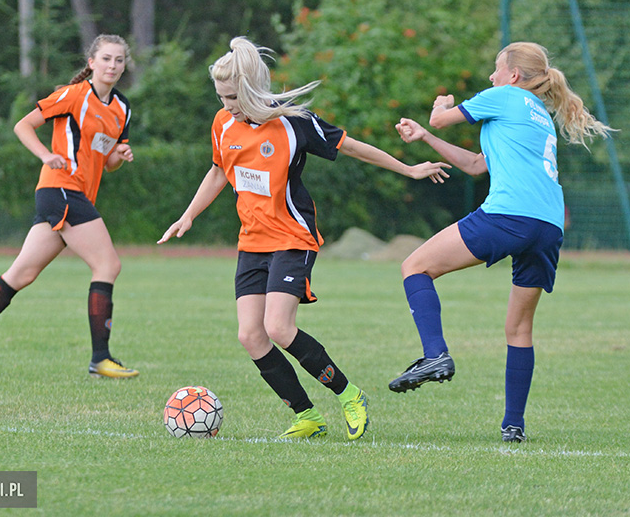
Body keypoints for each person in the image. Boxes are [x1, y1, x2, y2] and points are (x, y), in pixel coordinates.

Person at [158, 36, 450, 441]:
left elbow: (355, 148)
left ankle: (349, 395)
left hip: (292, 236)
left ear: (250, 89)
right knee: (250, 335)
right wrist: (188, 215)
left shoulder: (295, 122)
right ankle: (306, 416)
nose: (226, 105)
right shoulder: (223, 123)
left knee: (278, 327)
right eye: (221, 97)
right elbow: (218, 171)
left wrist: (409, 169)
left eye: (231, 96)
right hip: (252, 242)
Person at [390, 42, 614, 442]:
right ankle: (514, 426)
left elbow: (443, 119)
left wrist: (437, 109)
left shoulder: (503, 96)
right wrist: (425, 137)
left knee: (414, 267)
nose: (491, 77)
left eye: (497, 69)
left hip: (510, 214)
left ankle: (436, 354)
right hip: (548, 225)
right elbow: (477, 165)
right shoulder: (537, 115)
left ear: (512, 76)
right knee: (519, 328)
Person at [0, 34, 139, 379]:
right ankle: (100, 359)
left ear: (125, 65)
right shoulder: (73, 94)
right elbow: (23, 125)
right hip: (61, 189)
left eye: (119, 60)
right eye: (106, 58)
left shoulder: (122, 108)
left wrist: (118, 157)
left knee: (21, 274)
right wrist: (47, 155)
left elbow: (107, 162)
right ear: (91, 62)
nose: (112, 66)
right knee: (108, 264)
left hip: (75, 195)